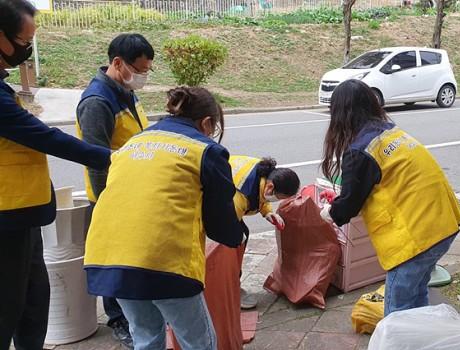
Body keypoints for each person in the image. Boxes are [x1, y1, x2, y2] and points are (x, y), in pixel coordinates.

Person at [83, 87, 244, 350]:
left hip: (109, 258)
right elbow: (220, 224)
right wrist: (235, 234)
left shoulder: (132, 144)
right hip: (163, 261)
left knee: (146, 337)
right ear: (206, 123)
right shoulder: (204, 150)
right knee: (198, 342)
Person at [0, 1, 111, 348]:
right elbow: (44, 136)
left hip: (23, 216)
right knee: (7, 307)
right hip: (5, 220)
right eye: (23, 39)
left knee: (33, 302)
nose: (27, 48)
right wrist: (115, 159)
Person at [318, 79, 460, 316]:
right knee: (417, 294)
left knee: (397, 311)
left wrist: (329, 212)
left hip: (416, 240)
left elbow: (347, 208)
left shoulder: (360, 150)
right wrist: (342, 199)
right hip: (444, 224)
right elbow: (385, 185)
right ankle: (419, 337)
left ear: (340, 114)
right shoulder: (390, 132)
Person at [76, 32, 155, 349]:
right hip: (111, 195)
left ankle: (136, 311)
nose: (143, 77)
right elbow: (95, 159)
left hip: (134, 192)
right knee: (114, 261)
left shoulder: (125, 91)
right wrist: (108, 201)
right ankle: (118, 319)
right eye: (139, 70)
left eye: (147, 70)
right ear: (118, 63)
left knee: (132, 258)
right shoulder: (97, 102)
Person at [229, 155, 299, 309]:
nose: (277, 201)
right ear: (271, 187)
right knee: (233, 245)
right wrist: (234, 239)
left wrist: (267, 212)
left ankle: (232, 283)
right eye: (279, 198)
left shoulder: (264, 174)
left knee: (242, 235)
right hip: (212, 203)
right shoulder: (239, 197)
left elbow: (261, 196)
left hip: (229, 201)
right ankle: (229, 289)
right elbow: (228, 223)